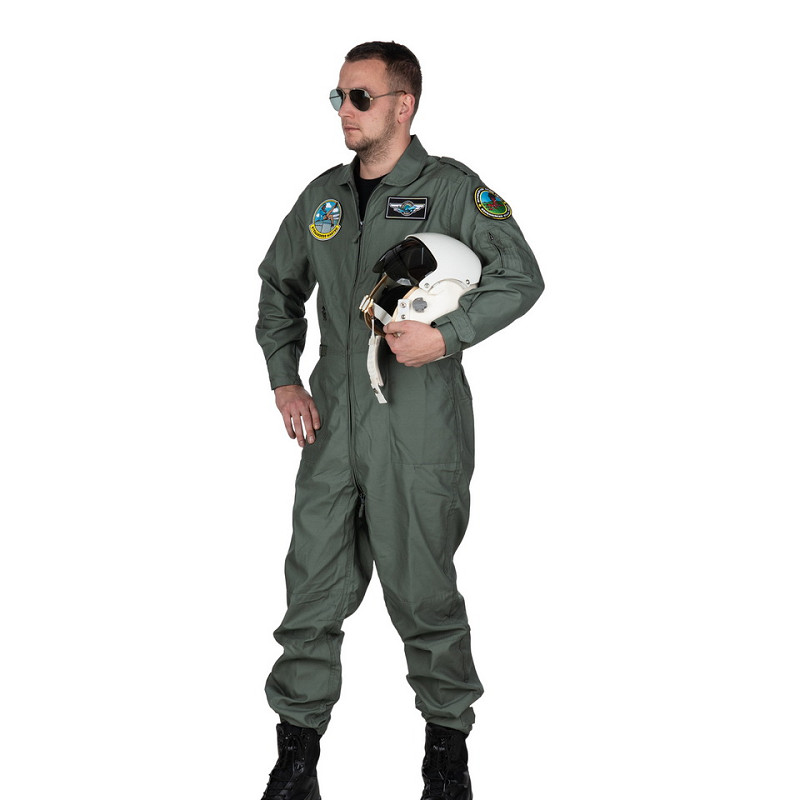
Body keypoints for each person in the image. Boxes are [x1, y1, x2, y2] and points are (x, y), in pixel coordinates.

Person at [255, 41, 544, 800]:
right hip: (330, 432)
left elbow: (521, 275)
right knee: (310, 593)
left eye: (360, 97)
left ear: (403, 105)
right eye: (339, 96)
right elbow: (278, 288)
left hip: (418, 431)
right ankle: (296, 761)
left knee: (423, 593)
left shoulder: (450, 189)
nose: (344, 111)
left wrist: (448, 336)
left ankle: (446, 758)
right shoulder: (322, 199)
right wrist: (285, 380)